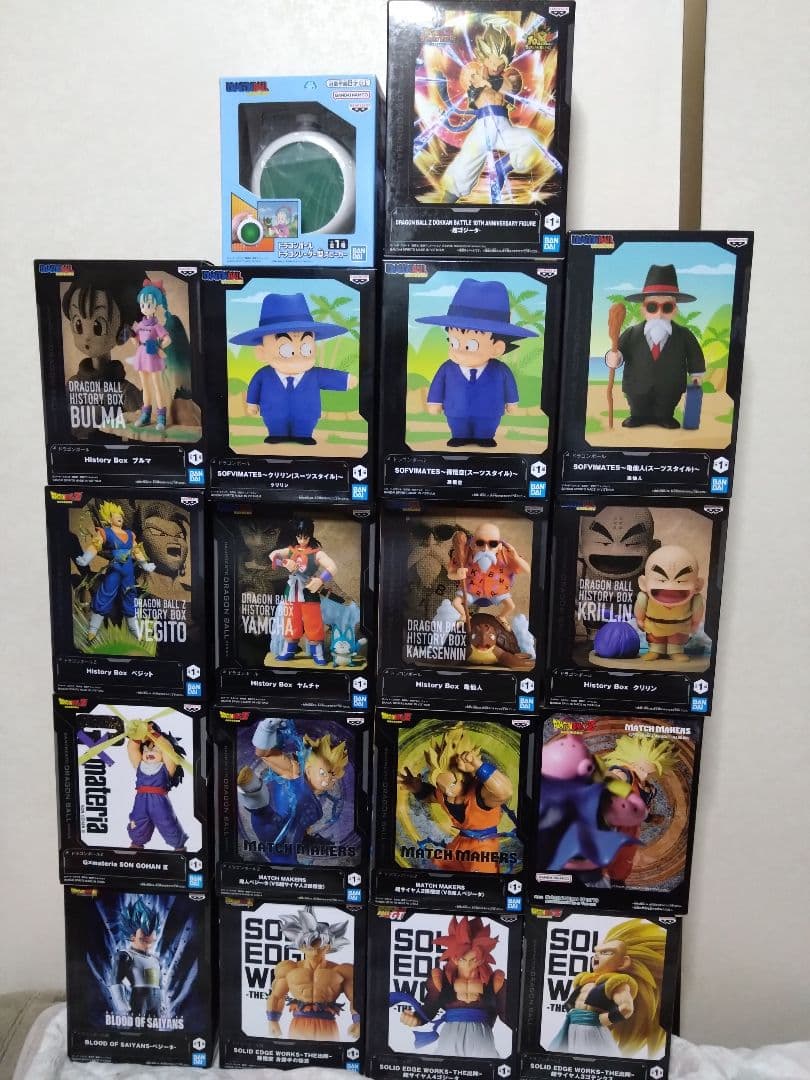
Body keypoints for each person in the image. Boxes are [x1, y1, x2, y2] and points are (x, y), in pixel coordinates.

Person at [438, 24, 558, 203]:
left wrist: (490, 80)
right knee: (464, 167)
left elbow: (509, 85)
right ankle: (445, 205)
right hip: (483, 127)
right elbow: (471, 104)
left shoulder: (502, 80)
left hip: (502, 127)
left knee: (535, 141)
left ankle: (503, 167)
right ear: (484, 58)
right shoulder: (475, 81)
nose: (496, 67)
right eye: (493, 62)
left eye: (501, 64)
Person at [417, 278, 536, 447]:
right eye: (454, 343)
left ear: (497, 348)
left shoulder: (500, 370)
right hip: (456, 411)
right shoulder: (447, 368)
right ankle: (459, 436)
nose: (459, 351)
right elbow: (438, 385)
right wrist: (435, 402)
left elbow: (509, 386)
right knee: (458, 427)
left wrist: (512, 403)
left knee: (486, 429)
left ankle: (485, 437)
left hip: (489, 412)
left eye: (471, 345)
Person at [230, 292, 356, 445]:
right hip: (273, 412)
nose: (297, 357)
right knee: (275, 424)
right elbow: (254, 387)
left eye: (306, 348)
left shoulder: (314, 374)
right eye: (285, 350)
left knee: (305, 424)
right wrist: (251, 403)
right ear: (261, 352)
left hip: (307, 413)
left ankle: (304, 435)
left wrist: (347, 379)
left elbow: (329, 377)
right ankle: (276, 434)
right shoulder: (263, 375)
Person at [398, 722, 515, 875]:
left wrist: (479, 766)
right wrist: (417, 788)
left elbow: (505, 792)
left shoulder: (481, 794)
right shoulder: (442, 793)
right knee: (432, 868)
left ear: (464, 777)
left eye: (452, 784)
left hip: (483, 848)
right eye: (440, 785)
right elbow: (430, 796)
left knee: (481, 883)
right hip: (460, 843)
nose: (446, 791)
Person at [605, 265, 705, 429]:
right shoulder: (631, 333)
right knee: (637, 404)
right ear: (643, 309)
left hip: (670, 386)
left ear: (675, 309)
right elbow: (619, 353)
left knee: (666, 403)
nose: (659, 313)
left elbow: (695, 356)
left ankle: (665, 417)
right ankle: (637, 416)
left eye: (667, 307)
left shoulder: (683, 335)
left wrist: (696, 374)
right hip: (637, 385)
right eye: (652, 307)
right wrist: (614, 357)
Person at [236, 718, 348, 865]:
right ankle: (250, 787)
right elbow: (263, 752)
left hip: (284, 835)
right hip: (269, 824)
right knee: (282, 857)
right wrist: (266, 728)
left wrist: (306, 840)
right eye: (323, 773)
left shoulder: (316, 806)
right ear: (308, 768)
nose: (328, 780)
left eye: (333, 777)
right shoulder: (293, 771)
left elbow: (300, 824)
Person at [392, 915, 508, 1057]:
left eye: (473, 959)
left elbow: (507, 1014)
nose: (468, 964)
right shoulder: (442, 980)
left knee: (486, 1066)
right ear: (454, 958)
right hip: (451, 1034)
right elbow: (430, 1007)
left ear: (481, 958)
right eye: (463, 959)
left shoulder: (494, 981)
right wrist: (416, 1018)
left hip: (482, 1037)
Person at [550, 919, 667, 1058]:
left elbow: (626, 1008)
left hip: (592, 1029)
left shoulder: (617, 983)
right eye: (597, 952)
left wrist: (604, 1020)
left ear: (624, 962)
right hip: (572, 1025)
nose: (597, 956)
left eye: (606, 952)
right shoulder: (586, 981)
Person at [266, 906, 358, 1041]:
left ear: (328, 946)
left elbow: (355, 998)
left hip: (328, 1026)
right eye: (310, 946)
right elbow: (276, 996)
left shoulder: (341, 971)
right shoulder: (289, 969)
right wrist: (273, 1020)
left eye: (320, 946)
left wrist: (357, 1020)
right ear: (301, 946)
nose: (315, 952)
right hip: (299, 1024)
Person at [75, 501, 155, 644]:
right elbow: (95, 546)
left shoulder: (130, 534)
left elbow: (137, 551)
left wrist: (145, 564)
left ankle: (135, 632)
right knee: (104, 596)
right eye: (116, 515)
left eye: (121, 515)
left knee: (130, 597)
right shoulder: (105, 532)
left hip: (128, 572)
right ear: (108, 517)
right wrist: (86, 559)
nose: (120, 517)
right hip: (114, 571)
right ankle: (92, 631)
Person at [267, 517, 337, 666]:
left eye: (305, 537)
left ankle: (317, 653)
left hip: (309, 594)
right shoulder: (290, 550)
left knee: (313, 623)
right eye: (299, 537)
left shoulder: (316, 553)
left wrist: (320, 580)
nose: (302, 540)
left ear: (310, 535)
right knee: (291, 622)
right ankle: (288, 650)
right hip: (291, 594)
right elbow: (272, 555)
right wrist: (284, 562)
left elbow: (332, 567)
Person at [447, 522, 530, 625]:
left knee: (510, 606)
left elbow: (527, 570)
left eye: (492, 544)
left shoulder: (505, 556)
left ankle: (501, 616)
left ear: (499, 546)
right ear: (473, 545)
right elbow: (450, 574)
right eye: (480, 543)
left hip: (496, 590)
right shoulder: (465, 555)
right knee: (456, 603)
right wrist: (457, 575)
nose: (485, 549)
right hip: (471, 589)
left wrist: (516, 557)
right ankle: (464, 615)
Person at [634, 545, 705, 662]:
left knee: (677, 637)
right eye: (662, 580)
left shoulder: (695, 599)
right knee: (655, 637)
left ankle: (676, 651)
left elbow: (697, 612)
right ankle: (655, 650)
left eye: (680, 581)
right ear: (644, 583)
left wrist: (695, 623)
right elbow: (640, 608)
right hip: (654, 625)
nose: (670, 587)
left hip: (680, 627)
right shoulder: (644, 597)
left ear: (698, 585)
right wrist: (640, 619)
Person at [125, 720, 188, 851]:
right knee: (138, 820)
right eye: (146, 749)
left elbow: (168, 750)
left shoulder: (167, 768)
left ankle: (179, 847)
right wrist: (138, 733)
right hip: (141, 800)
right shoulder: (140, 765)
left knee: (167, 822)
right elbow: (132, 748)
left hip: (159, 801)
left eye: (155, 749)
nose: (149, 752)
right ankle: (136, 844)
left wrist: (154, 734)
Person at [108, 897, 164, 1018]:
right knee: (136, 1026)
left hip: (156, 1002)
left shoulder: (155, 960)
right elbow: (115, 981)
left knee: (155, 1027)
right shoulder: (125, 956)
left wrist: (162, 1003)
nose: (148, 945)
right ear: (131, 936)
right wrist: (123, 1006)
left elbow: (159, 984)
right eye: (144, 940)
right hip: (139, 1000)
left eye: (152, 941)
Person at [130, 280, 173, 431]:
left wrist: (158, 346)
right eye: (143, 305)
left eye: (148, 305)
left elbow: (168, 339)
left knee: (157, 386)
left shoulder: (157, 326)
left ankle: (161, 418)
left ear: (155, 306)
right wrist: (132, 336)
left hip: (153, 356)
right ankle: (146, 415)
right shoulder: (140, 325)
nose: (145, 308)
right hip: (142, 355)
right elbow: (136, 343)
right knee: (145, 387)